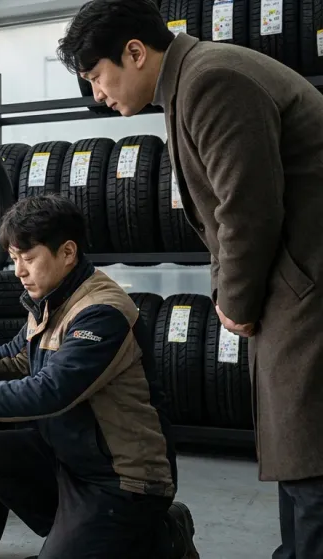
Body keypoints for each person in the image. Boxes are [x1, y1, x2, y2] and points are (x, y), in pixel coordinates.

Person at [55, 1, 323, 556]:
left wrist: (235, 300)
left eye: (97, 78)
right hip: (298, 284)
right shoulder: (194, 80)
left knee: (312, 460)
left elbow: (246, 208)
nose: (98, 95)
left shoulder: (212, 80)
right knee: (301, 457)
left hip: (309, 290)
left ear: (134, 52)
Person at [0, 195, 199, 558]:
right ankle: (82, 536)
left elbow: (51, 391)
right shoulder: (50, 300)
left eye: (28, 259)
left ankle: (162, 536)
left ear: (67, 252)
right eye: (14, 259)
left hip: (124, 479)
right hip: (72, 458)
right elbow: (13, 358)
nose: (18, 271)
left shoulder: (101, 312)